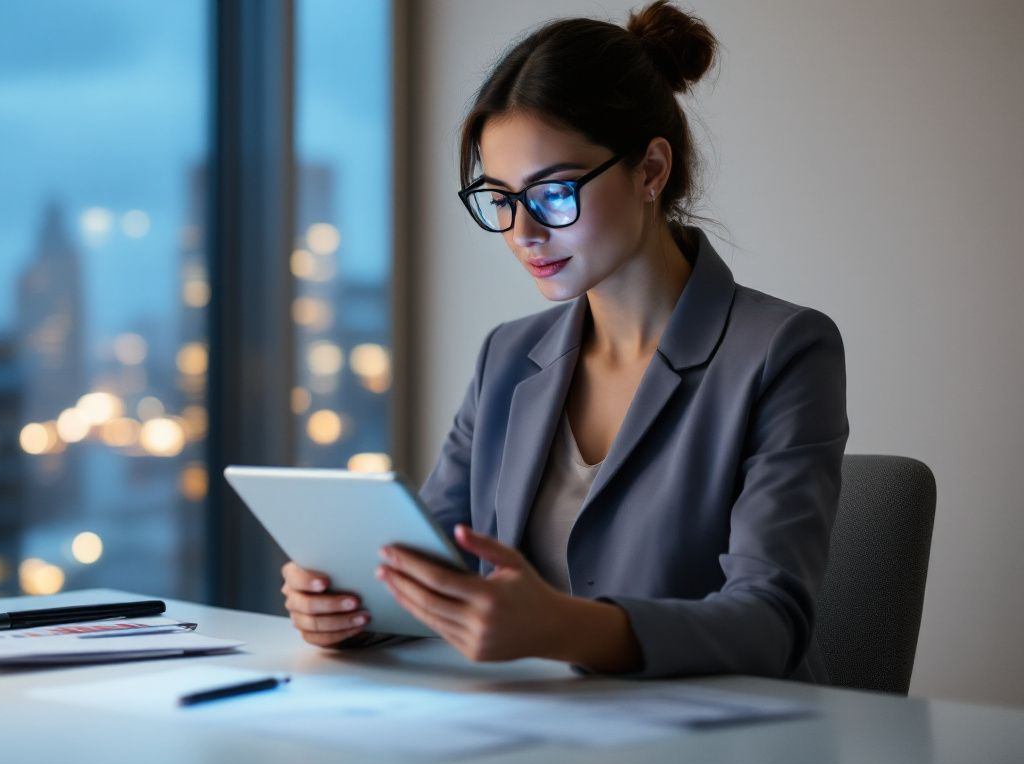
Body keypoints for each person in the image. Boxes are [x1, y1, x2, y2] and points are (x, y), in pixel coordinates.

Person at [280, 0, 848, 681]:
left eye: (553, 193)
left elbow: (769, 623)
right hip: (531, 728)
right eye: (501, 198)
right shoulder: (509, 357)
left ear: (650, 171)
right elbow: (431, 566)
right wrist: (353, 605)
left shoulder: (783, 349)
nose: (523, 232)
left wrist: (560, 626)